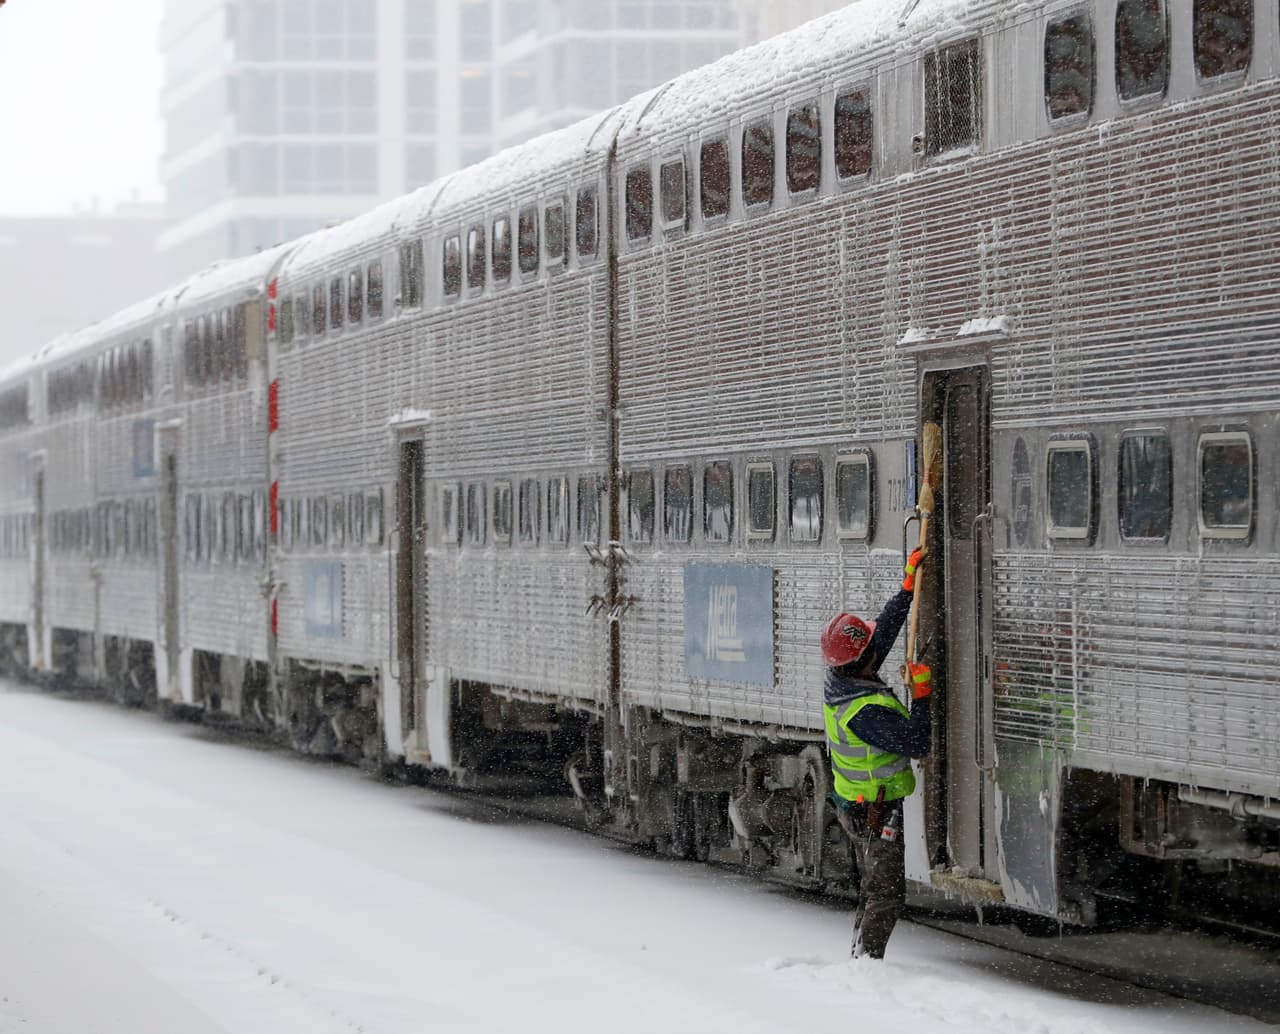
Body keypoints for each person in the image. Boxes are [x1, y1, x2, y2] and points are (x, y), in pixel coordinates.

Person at [821, 547, 934, 960]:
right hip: (873, 811)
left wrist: (907, 589)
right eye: (871, 647)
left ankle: (860, 959)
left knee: (873, 888)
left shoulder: (846, 679)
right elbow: (917, 743)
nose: (878, 647)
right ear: (864, 660)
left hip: (865, 805)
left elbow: (881, 634)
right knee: (884, 894)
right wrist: (921, 696)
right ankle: (866, 965)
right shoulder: (862, 711)